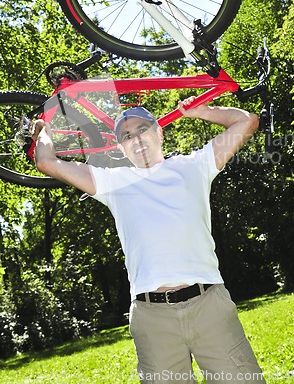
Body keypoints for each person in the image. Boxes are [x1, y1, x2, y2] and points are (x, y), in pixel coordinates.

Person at [32, 97, 265, 383]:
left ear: (159, 132)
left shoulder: (194, 165)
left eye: (143, 129)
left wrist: (203, 111)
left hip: (209, 306)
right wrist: (43, 130)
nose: (136, 139)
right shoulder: (112, 182)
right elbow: (47, 162)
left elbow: (247, 122)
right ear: (121, 148)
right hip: (152, 317)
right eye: (126, 136)